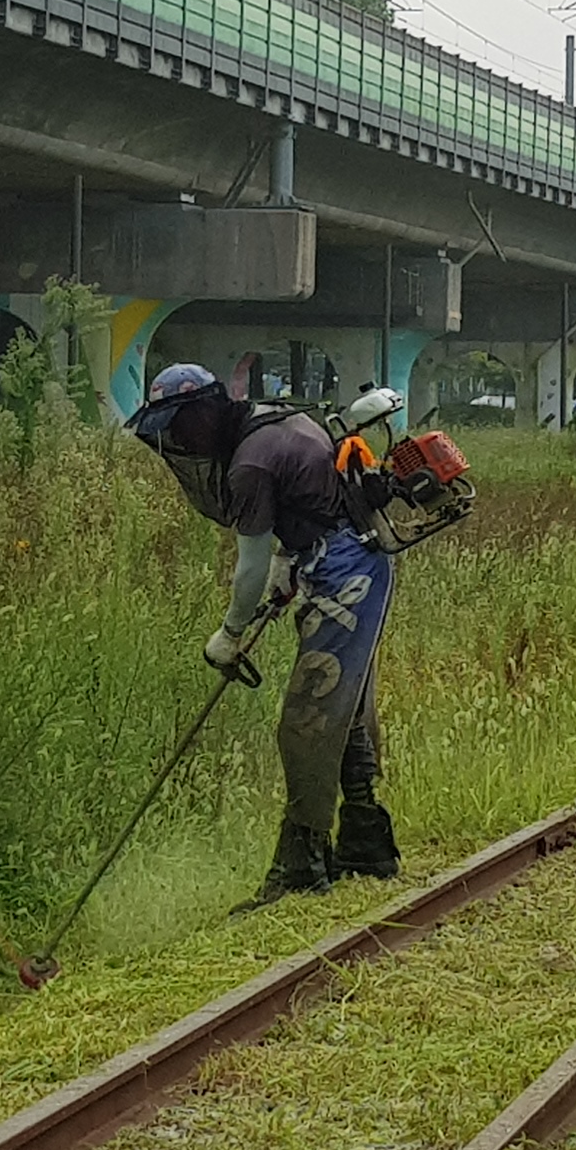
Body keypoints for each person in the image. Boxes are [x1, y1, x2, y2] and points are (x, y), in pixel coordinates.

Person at [129, 363, 397, 907]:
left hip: (345, 571)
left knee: (308, 719)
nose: (177, 438)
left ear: (205, 413)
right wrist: (289, 561)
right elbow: (309, 500)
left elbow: (246, 568)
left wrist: (229, 634)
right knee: (339, 711)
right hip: (351, 556)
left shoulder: (248, 464)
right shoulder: (273, 417)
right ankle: (366, 843)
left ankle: (303, 866)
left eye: (180, 424)